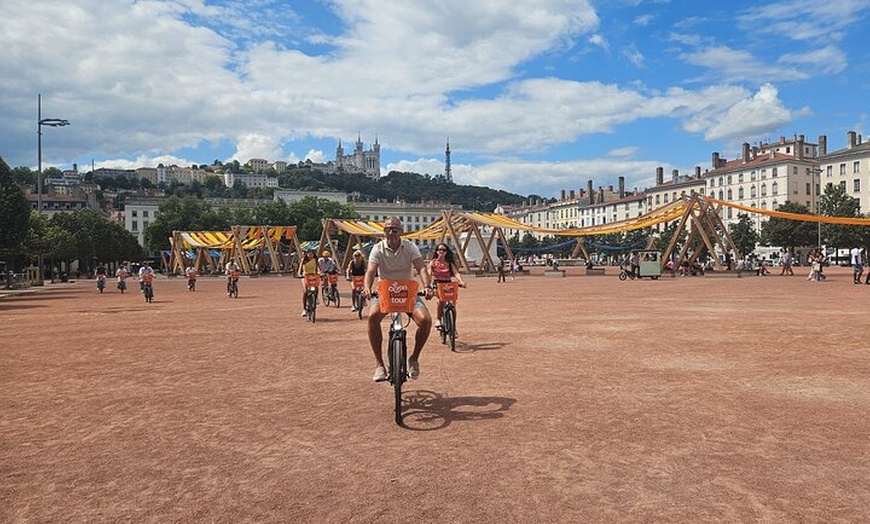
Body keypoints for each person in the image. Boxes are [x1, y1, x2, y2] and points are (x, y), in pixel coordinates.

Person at [362, 217, 435, 382]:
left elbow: (421, 268)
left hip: (407, 292)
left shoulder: (409, 247)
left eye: (395, 229)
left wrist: (428, 286)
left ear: (401, 231)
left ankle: (414, 359)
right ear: (384, 232)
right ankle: (379, 364)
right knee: (372, 317)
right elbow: (371, 271)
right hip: (385, 292)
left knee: (426, 320)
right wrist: (367, 287)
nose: (391, 232)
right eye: (388, 229)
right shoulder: (377, 248)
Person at [428, 243, 466, 330]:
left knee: (453, 304)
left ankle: (453, 327)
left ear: (446, 252)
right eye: (440, 249)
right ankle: (438, 319)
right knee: (441, 300)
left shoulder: (449, 263)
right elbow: (429, 274)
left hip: (448, 284)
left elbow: (456, 273)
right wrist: (429, 285)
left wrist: (461, 281)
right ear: (437, 251)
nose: (441, 251)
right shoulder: (433, 263)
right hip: (437, 284)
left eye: (444, 250)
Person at [298, 250, 319, 316]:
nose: (310, 256)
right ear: (307, 255)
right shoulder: (303, 260)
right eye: (309, 254)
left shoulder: (315, 260)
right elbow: (300, 268)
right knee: (305, 291)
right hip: (305, 276)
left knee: (316, 288)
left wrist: (320, 272)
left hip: (313, 276)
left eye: (312, 254)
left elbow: (318, 268)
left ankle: (316, 298)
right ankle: (304, 309)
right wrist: (299, 274)